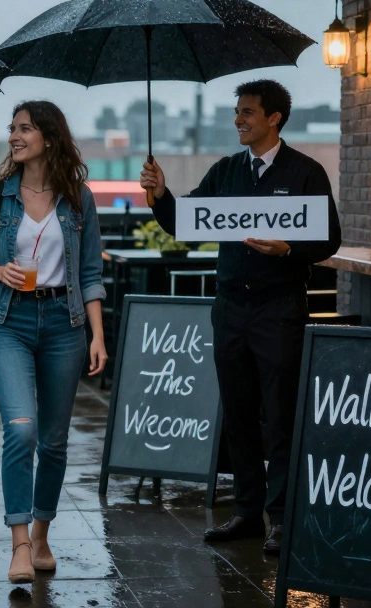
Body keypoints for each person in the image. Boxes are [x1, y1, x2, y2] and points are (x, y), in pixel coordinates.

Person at [138, 79, 341, 555]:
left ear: (274, 118)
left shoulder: (306, 171)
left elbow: (330, 237)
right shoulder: (227, 170)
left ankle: (283, 519)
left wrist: (288, 247)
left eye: (248, 113)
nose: (238, 121)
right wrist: (162, 195)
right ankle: (247, 513)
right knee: (239, 414)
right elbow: (185, 223)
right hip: (229, 308)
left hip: (279, 309)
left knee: (280, 416)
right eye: (237, 113)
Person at [0, 100, 108, 584]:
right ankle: (20, 542)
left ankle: (43, 533)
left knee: (54, 440)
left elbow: (90, 273)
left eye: (23, 128)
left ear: (48, 135)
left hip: (65, 325)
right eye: (12, 128)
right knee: (21, 431)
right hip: (10, 320)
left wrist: (97, 336)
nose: (14, 136)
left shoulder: (78, 197)